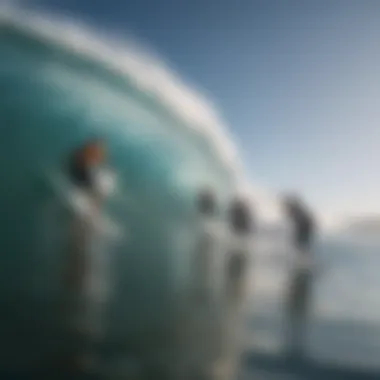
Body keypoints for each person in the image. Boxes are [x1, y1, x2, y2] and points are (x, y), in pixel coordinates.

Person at [282, 194, 316, 359]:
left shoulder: (299, 213)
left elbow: (303, 227)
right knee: (301, 249)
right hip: (305, 229)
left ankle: (305, 265)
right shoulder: (298, 212)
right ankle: (304, 264)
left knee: (301, 248)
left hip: (306, 229)